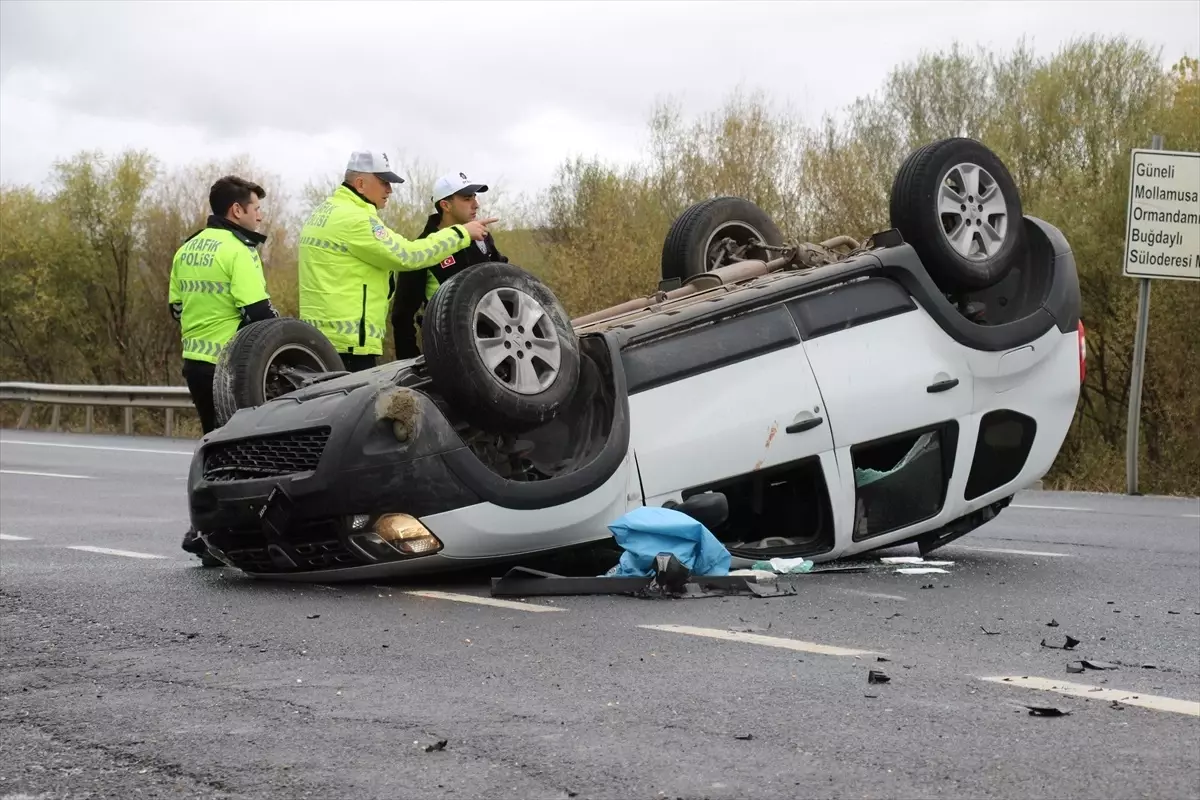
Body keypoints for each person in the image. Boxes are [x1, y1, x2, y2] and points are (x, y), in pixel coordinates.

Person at [298, 151, 497, 372]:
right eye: (384, 182)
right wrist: (462, 234)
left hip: (321, 339)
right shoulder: (355, 219)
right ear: (361, 183)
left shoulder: (325, 212)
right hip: (348, 344)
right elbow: (409, 255)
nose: (389, 190)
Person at [168, 174, 278, 564]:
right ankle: (220, 534)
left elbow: (176, 308)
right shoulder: (239, 250)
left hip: (196, 365)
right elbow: (259, 314)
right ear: (237, 210)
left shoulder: (188, 248)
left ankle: (205, 533)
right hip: (231, 370)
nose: (261, 216)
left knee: (211, 447)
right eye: (257, 208)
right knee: (245, 454)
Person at [391, 171, 508, 360]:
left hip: (500, 344)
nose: (476, 204)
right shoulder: (421, 250)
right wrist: (411, 364)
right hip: (454, 354)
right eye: (467, 198)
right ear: (445, 205)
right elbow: (402, 316)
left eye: (475, 197)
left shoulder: (482, 236)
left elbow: (505, 281)